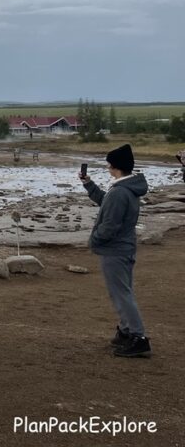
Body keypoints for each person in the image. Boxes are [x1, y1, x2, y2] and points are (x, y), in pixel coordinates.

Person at [80, 144, 151, 358]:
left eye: (110, 164)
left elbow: (110, 225)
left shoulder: (120, 192)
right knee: (123, 292)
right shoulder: (123, 188)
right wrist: (89, 185)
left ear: (116, 166)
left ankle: (138, 338)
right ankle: (127, 331)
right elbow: (106, 203)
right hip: (122, 248)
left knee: (121, 294)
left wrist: (94, 240)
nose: (108, 168)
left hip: (115, 250)